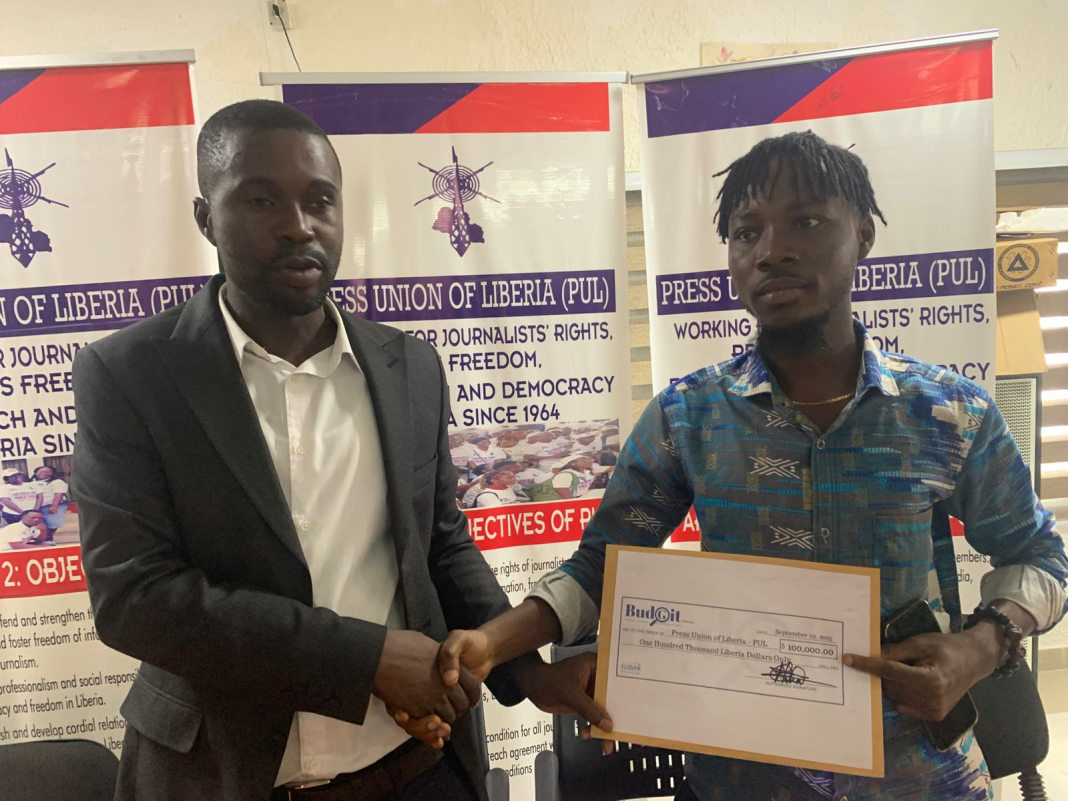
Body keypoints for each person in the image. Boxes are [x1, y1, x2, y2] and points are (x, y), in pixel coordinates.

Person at [399, 131, 1068, 799]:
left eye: (806, 222)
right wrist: (492, 642)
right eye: (747, 232)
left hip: (918, 779)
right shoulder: (688, 418)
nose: (771, 250)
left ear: (863, 235)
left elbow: (1043, 560)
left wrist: (982, 645)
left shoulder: (948, 412)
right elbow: (600, 569)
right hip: (742, 781)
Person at [71, 99, 568, 801]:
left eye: (320, 200)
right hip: (225, 776)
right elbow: (136, 598)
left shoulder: (408, 366)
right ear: (206, 218)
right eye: (262, 200)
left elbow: (439, 543)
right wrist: (366, 659)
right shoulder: (132, 374)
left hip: (415, 771)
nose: (299, 225)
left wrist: (527, 671)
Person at [31, 465, 68, 543]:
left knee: (52, 524)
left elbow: (59, 494)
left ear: (52, 473)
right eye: (41, 471)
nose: (44, 473)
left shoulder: (57, 482)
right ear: (36, 473)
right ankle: (44, 538)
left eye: (47, 472)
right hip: (36, 506)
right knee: (39, 524)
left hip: (51, 505)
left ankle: (48, 538)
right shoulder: (31, 482)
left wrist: (54, 506)